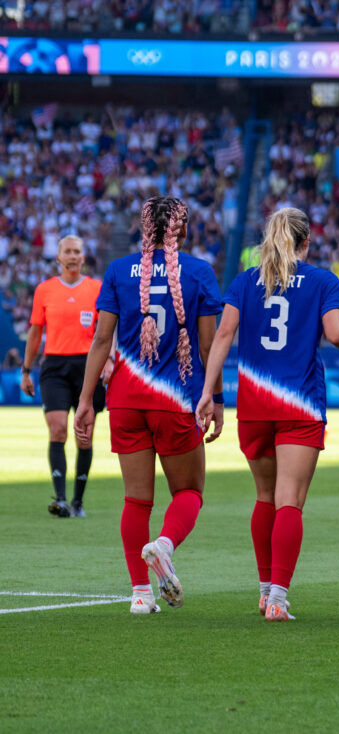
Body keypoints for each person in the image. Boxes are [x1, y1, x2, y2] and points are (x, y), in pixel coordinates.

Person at [196, 207, 339, 622]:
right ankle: (278, 599)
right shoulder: (322, 281)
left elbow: (223, 335)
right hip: (299, 403)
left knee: (264, 497)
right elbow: (335, 334)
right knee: (289, 501)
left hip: (255, 404)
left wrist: (209, 392)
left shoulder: (244, 281)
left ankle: (264, 592)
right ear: (307, 243)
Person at [74, 196, 224, 615]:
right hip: (175, 399)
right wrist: (217, 397)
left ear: (144, 227)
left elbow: (102, 342)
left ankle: (140, 595)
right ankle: (163, 545)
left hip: (124, 399)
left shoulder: (119, 270)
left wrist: (86, 400)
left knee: (136, 500)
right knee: (189, 491)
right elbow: (209, 344)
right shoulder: (198, 272)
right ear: (184, 228)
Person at [21, 235, 112, 518]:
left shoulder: (97, 288)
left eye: (77, 252)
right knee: (58, 428)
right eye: (67, 252)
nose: (72, 256)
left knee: (84, 435)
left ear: (84, 257)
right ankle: (60, 499)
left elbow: (109, 330)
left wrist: (109, 359)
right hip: (54, 367)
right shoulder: (44, 290)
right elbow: (36, 332)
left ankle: (78, 502)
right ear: (58, 258)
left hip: (88, 365)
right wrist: (26, 369)